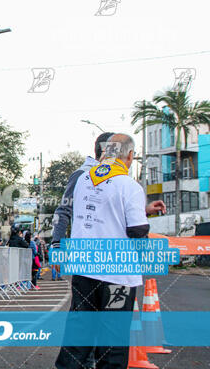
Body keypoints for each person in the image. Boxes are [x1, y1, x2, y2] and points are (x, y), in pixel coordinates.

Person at [55, 134, 166, 369]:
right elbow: (136, 231)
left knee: (79, 334)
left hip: (84, 270)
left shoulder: (84, 179)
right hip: (117, 277)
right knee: (112, 342)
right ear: (130, 156)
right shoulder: (130, 186)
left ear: (106, 153)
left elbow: (104, 211)